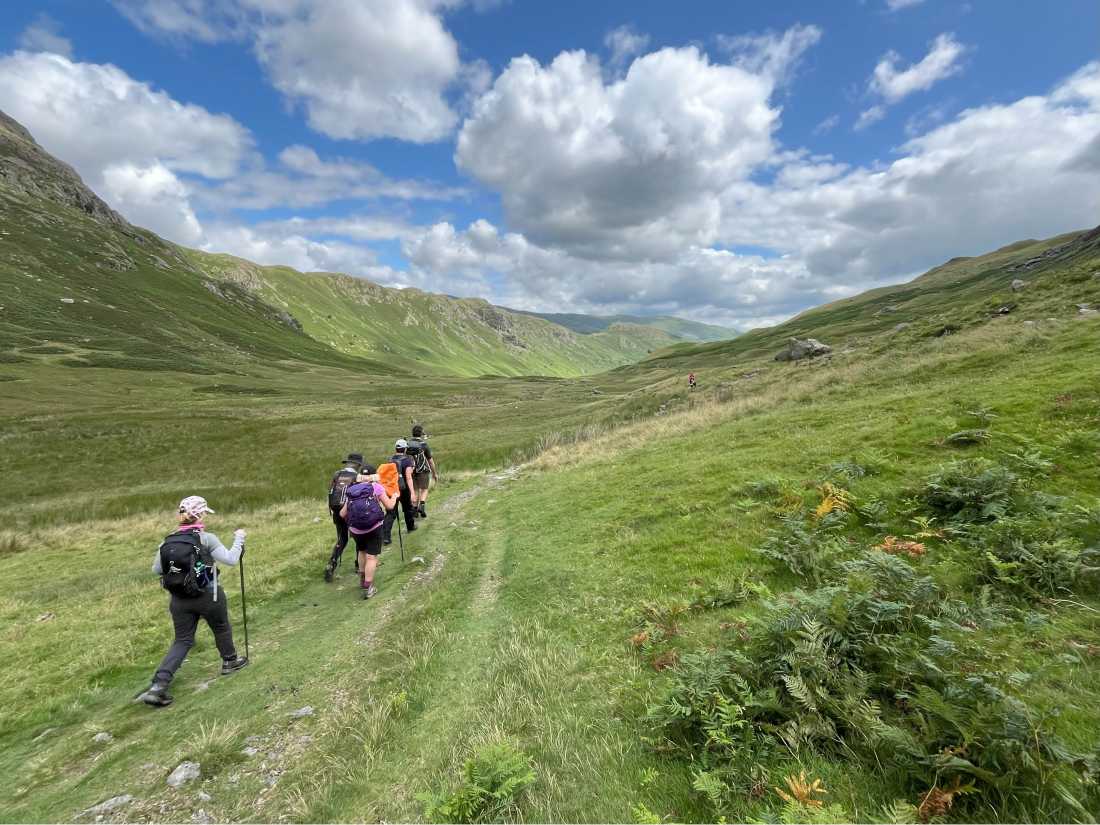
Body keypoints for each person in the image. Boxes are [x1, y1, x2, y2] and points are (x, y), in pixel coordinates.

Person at [137, 495, 249, 707]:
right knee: (221, 626)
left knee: (182, 640)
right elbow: (232, 560)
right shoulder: (207, 538)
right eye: (205, 511)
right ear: (200, 514)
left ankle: (158, 686)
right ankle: (229, 661)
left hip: (179, 600)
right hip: (209, 595)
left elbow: (156, 570)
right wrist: (239, 539)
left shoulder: (167, 541)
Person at [340, 464, 397, 598]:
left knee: (361, 551)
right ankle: (368, 586)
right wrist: (394, 496)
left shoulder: (352, 489)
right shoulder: (376, 487)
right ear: (374, 475)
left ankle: (362, 578)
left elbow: (342, 514)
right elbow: (389, 506)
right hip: (374, 527)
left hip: (355, 529)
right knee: (371, 557)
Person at [325, 452, 363, 582]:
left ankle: (331, 564)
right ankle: (359, 565)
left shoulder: (337, 474)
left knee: (342, 538)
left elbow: (330, 490)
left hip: (335, 509)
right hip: (349, 509)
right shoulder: (356, 476)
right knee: (358, 536)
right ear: (358, 465)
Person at [382, 439, 417, 545]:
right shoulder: (407, 460)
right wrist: (413, 493)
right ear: (405, 449)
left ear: (396, 448)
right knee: (407, 508)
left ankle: (386, 536)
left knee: (391, 512)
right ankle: (410, 527)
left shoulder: (390, 460)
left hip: (392, 489)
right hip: (404, 489)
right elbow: (409, 478)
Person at [407, 425, 439, 518]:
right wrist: (434, 473)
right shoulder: (424, 445)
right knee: (424, 489)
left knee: (416, 490)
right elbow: (430, 461)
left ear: (412, 433)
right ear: (421, 434)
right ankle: (422, 505)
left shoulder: (408, 444)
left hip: (412, 471)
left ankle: (415, 510)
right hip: (423, 470)